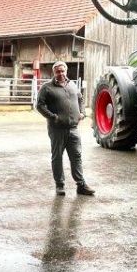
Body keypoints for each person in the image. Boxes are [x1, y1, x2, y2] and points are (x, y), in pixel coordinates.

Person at [35, 61, 95, 197]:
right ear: (53, 72)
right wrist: (53, 117)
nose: (60, 73)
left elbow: (80, 98)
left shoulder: (72, 85)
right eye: (58, 71)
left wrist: (82, 113)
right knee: (57, 157)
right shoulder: (47, 87)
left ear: (66, 71)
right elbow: (39, 105)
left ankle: (81, 185)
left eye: (62, 71)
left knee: (77, 156)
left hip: (73, 129)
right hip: (57, 129)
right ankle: (60, 185)